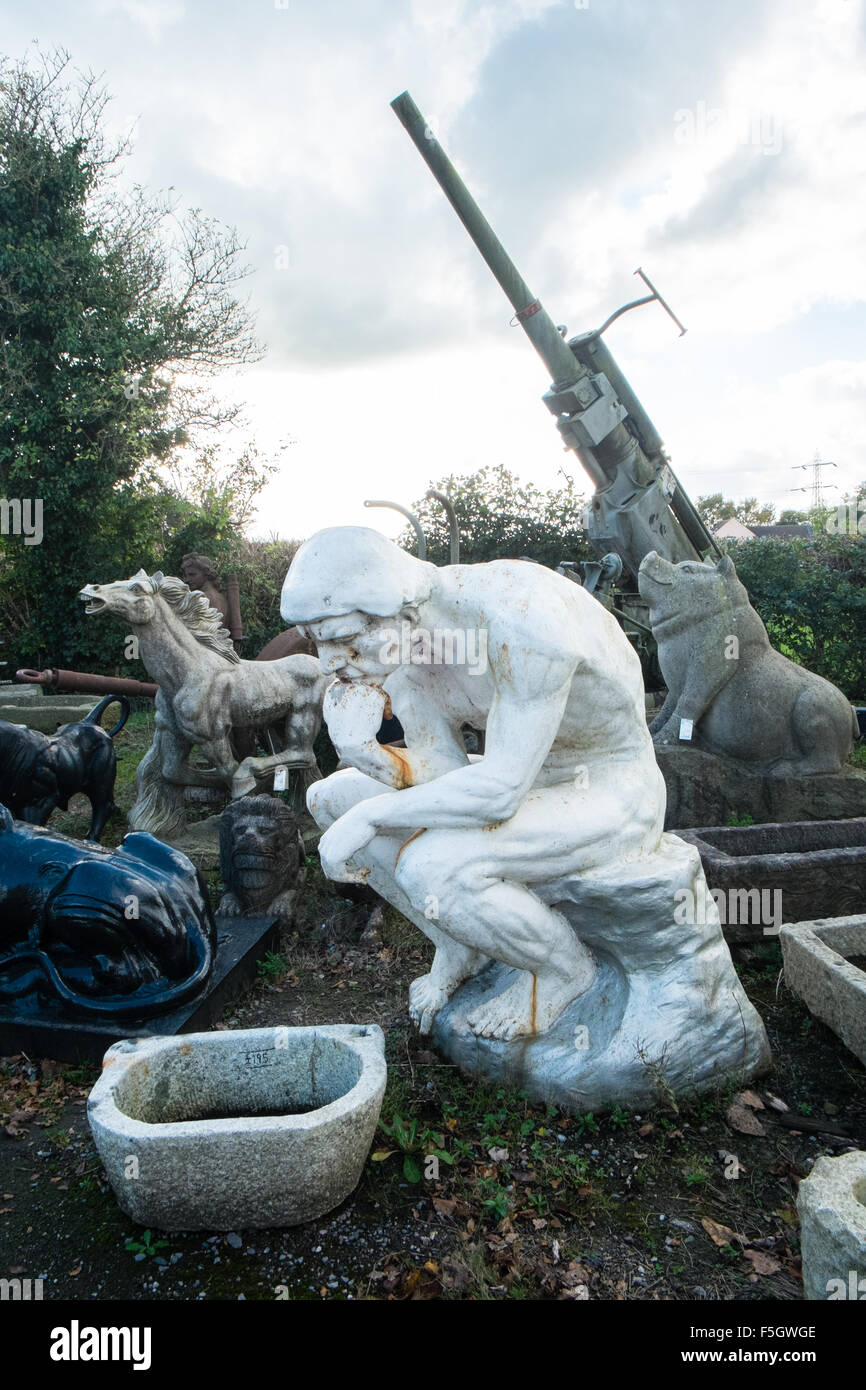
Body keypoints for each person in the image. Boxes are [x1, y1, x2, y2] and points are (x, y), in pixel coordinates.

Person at [281, 527, 665, 1041]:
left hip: (608, 785)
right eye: (318, 641)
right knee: (329, 797)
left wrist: (372, 814)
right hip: (521, 780)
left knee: (432, 866)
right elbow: (446, 768)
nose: (329, 662)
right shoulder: (405, 649)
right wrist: (366, 754)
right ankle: (459, 945)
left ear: (402, 611)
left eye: (344, 639)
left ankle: (564, 971)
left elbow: (500, 791)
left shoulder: (518, 618)